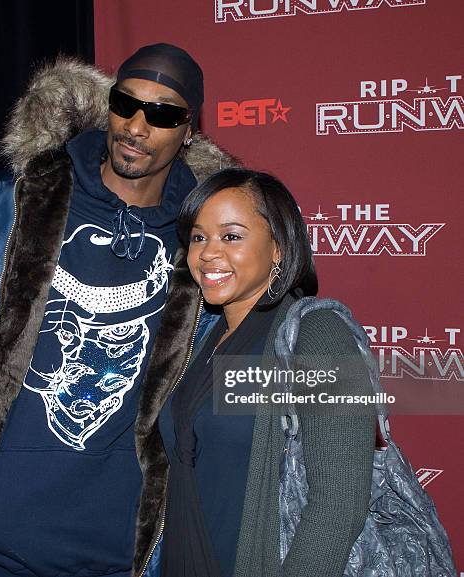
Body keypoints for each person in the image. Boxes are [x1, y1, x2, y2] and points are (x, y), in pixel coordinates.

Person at [0, 44, 234, 576]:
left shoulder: (205, 247)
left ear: (188, 130)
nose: (138, 125)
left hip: (128, 553)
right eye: (126, 103)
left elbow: (237, 377)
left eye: (163, 113)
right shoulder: (7, 206)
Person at [131, 168, 377, 577]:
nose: (208, 252)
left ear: (278, 247)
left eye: (231, 236)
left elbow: (340, 503)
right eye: (198, 237)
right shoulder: (206, 338)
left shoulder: (319, 334)